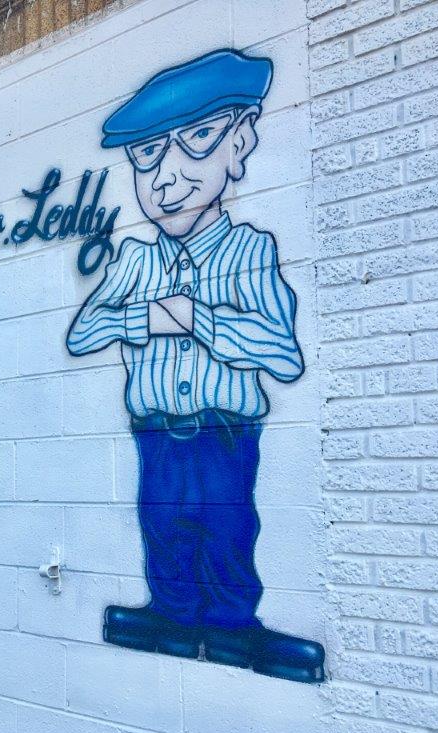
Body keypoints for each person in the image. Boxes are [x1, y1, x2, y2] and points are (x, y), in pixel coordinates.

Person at [66, 49, 325, 684]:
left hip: (225, 430)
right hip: (155, 430)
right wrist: (150, 318)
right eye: (147, 155)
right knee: (163, 521)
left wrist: (199, 318)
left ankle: (233, 624)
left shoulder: (251, 250)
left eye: (199, 140)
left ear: (240, 142)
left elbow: (284, 352)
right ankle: (173, 615)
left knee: (228, 524)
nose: (168, 177)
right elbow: (83, 332)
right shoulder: (133, 260)